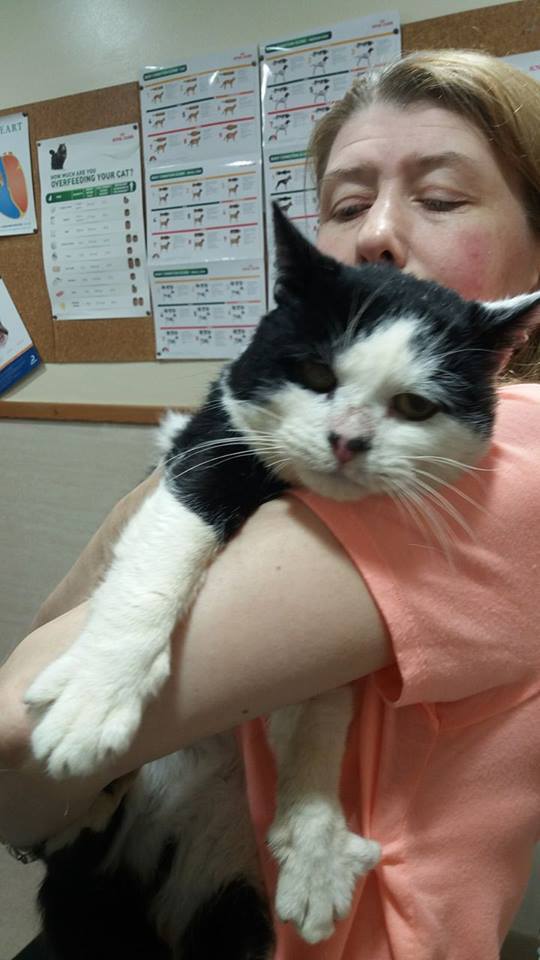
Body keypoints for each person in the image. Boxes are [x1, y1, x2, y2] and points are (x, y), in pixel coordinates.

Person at [1, 49, 540, 959]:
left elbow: (18, 733)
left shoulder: (503, 461)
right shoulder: (320, 438)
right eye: (344, 203)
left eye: (440, 199)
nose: (377, 236)